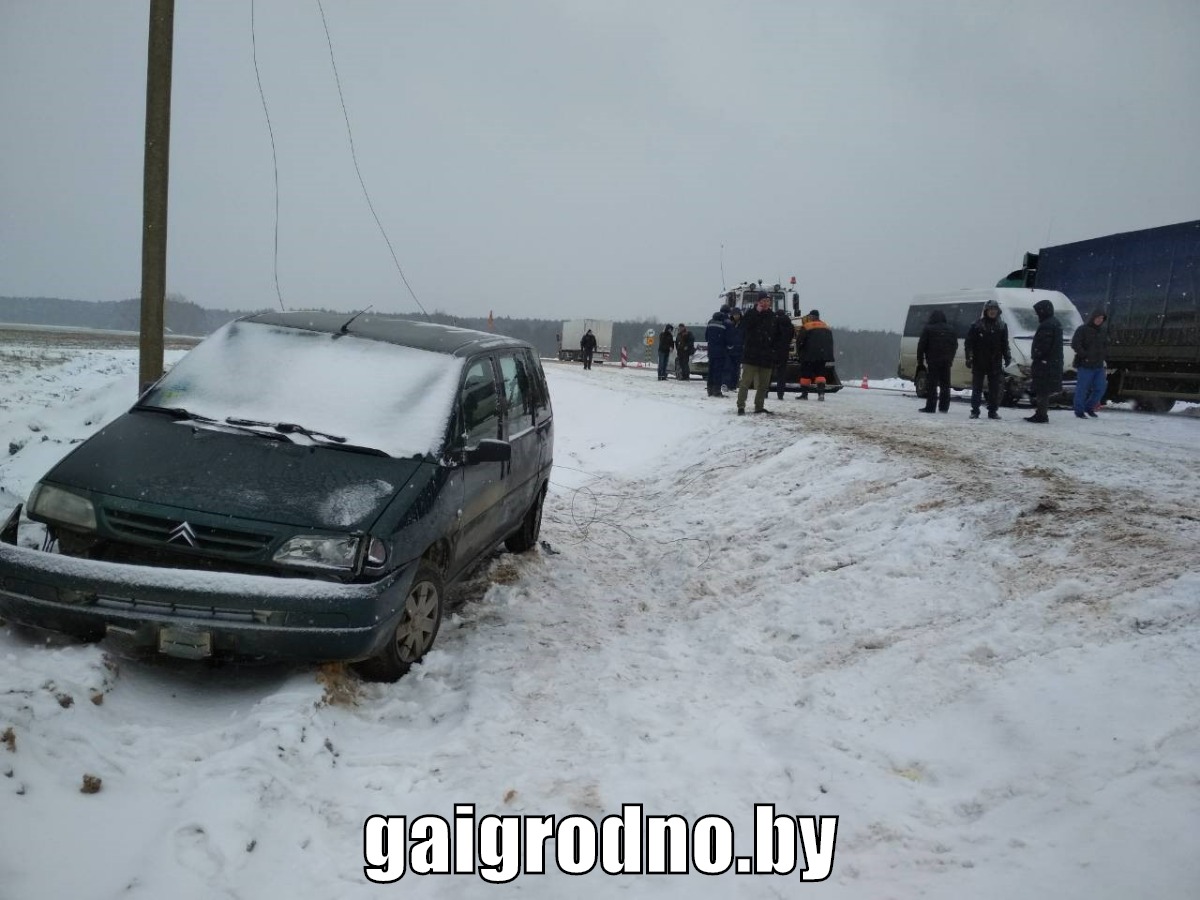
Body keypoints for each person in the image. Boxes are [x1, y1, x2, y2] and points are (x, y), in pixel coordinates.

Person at [964, 299, 1010, 420]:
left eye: (995, 309)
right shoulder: (976, 325)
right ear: (986, 311)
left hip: (995, 361)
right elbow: (969, 344)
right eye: (990, 309)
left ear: (998, 311)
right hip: (979, 361)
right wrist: (969, 358)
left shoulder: (1002, 326)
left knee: (994, 389)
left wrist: (1007, 357)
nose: (992, 312)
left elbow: (1005, 344)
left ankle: (993, 411)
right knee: (977, 388)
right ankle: (975, 411)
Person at [736, 295, 778, 415]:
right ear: (758, 302)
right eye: (763, 301)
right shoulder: (751, 314)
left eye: (768, 301)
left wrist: (774, 350)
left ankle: (759, 406)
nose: (766, 303)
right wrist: (756, 313)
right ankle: (741, 406)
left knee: (763, 385)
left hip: (767, 356)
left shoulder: (772, 316)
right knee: (745, 383)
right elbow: (744, 326)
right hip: (751, 355)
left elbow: (777, 334)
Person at [1025, 298, 1064, 423]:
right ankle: (1041, 413)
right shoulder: (1055, 323)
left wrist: (1037, 355)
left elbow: (1043, 346)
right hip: (1052, 362)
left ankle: (1041, 414)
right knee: (1044, 390)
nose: (1037, 315)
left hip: (1045, 364)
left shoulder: (1047, 325)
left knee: (1042, 390)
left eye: (1038, 312)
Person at [916, 309, 958, 413]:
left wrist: (920, 361)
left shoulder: (928, 329)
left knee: (932, 384)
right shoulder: (951, 329)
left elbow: (921, 346)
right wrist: (951, 358)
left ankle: (930, 407)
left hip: (933, 360)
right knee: (945, 384)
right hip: (946, 361)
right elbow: (955, 345)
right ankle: (944, 407)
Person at [1071, 309, 1108, 418]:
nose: (1099, 320)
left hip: (1099, 365)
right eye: (1098, 318)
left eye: (1102, 319)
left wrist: (1103, 355)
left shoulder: (1102, 331)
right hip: (1085, 365)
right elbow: (1075, 344)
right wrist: (1084, 355)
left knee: (1100, 388)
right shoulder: (1082, 329)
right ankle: (1079, 410)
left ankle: (1089, 407)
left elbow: (1105, 345)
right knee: (1082, 388)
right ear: (1093, 318)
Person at [796, 309, 834, 400]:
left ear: (812, 317)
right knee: (820, 375)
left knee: (805, 375)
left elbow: (800, 341)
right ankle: (821, 393)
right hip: (823, 356)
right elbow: (830, 342)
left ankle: (804, 394)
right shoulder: (826, 326)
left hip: (809, 356)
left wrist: (800, 354)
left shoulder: (807, 326)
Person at [704, 309, 731, 397]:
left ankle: (709, 389)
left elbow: (706, 337)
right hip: (720, 352)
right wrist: (729, 347)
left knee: (711, 370)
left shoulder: (710, 323)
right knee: (718, 371)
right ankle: (716, 390)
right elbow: (727, 338)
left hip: (711, 351)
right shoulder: (724, 324)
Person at [772, 308, 795, 400]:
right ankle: (780, 394)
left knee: (769, 371)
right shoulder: (790, 325)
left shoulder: (774, 323)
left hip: (773, 351)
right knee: (781, 373)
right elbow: (791, 337)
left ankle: (765, 392)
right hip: (784, 351)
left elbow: (772, 336)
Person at [725, 308, 744, 391]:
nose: (736, 316)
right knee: (728, 368)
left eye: (738, 314)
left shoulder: (742, 324)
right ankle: (727, 384)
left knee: (736, 369)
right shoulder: (729, 324)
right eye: (735, 314)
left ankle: (733, 386)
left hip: (739, 350)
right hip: (729, 350)